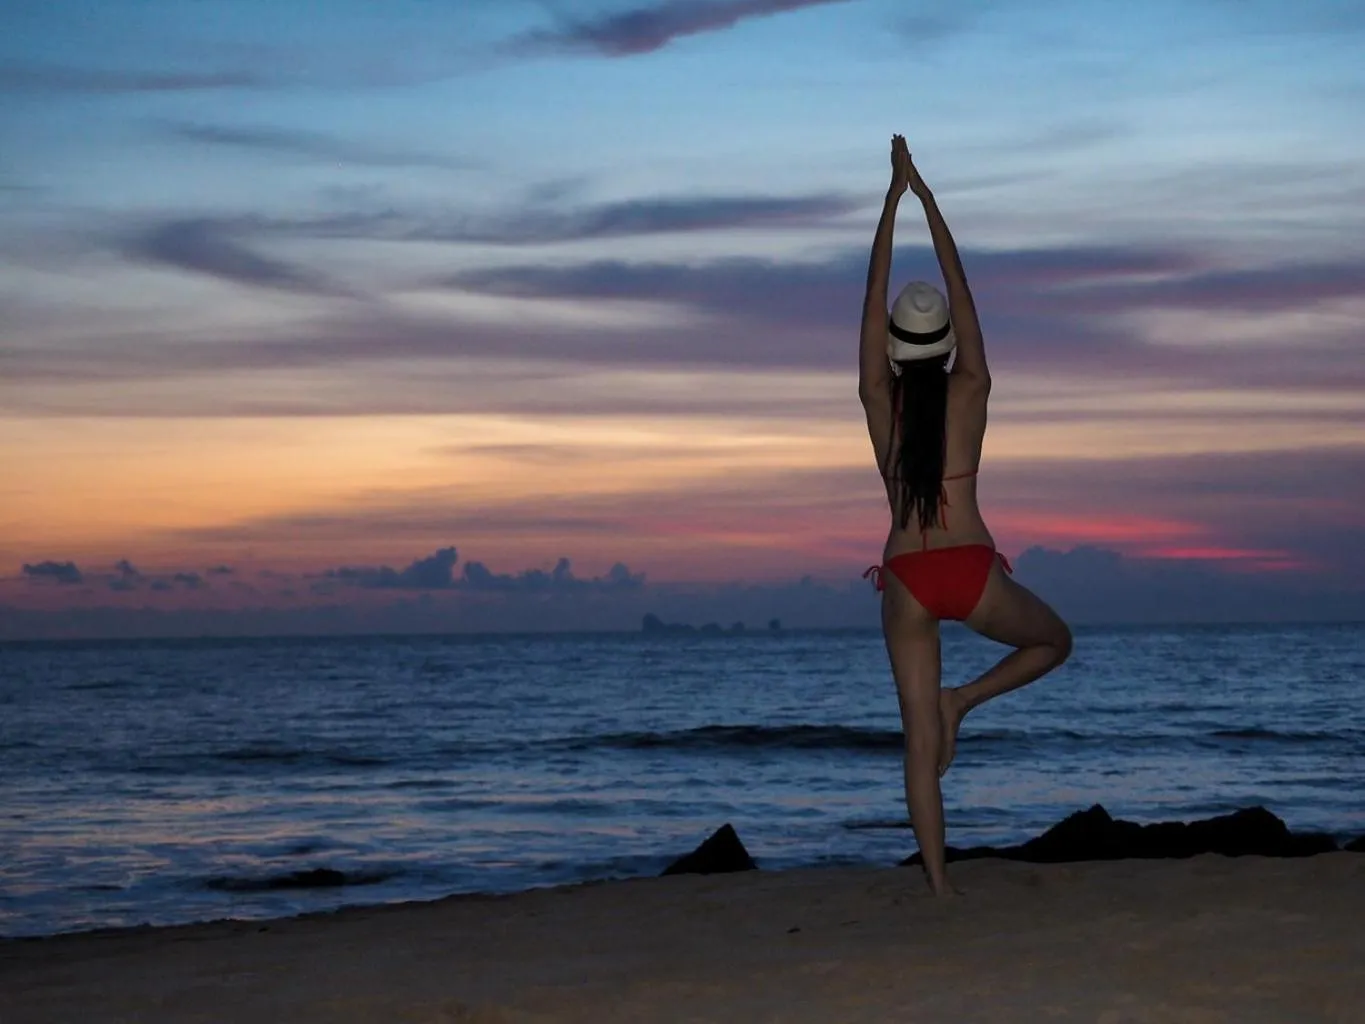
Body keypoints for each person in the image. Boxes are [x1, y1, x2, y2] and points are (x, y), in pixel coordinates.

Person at [859, 135, 1073, 896]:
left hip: (907, 578)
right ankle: (967, 700)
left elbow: (871, 295)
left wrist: (890, 203)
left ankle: (941, 888)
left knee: (918, 742)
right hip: (971, 567)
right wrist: (926, 198)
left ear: (892, 347)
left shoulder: (876, 398)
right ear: (947, 341)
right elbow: (963, 290)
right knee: (1054, 641)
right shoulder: (973, 386)